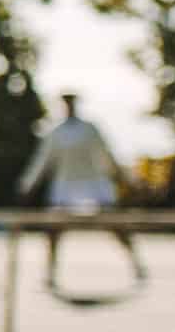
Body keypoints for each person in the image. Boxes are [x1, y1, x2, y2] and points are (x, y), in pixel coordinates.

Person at [17, 92, 149, 294]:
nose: (69, 106)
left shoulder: (90, 129)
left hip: (94, 184)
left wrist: (130, 179)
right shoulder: (55, 132)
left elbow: (109, 154)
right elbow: (43, 161)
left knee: (117, 226)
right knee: (53, 230)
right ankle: (50, 274)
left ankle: (137, 266)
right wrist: (27, 184)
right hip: (65, 186)